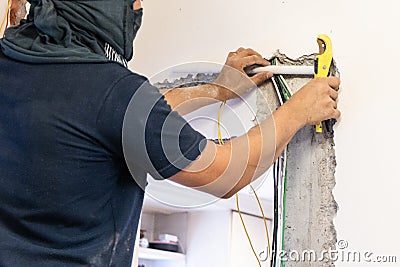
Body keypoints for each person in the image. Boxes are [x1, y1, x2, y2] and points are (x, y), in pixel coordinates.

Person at [0, 0, 340, 266]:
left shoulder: (14, 61)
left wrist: (218, 90)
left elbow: (120, 118)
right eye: (132, 2)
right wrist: (296, 112)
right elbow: (225, 171)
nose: (138, 9)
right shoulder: (113, 92)